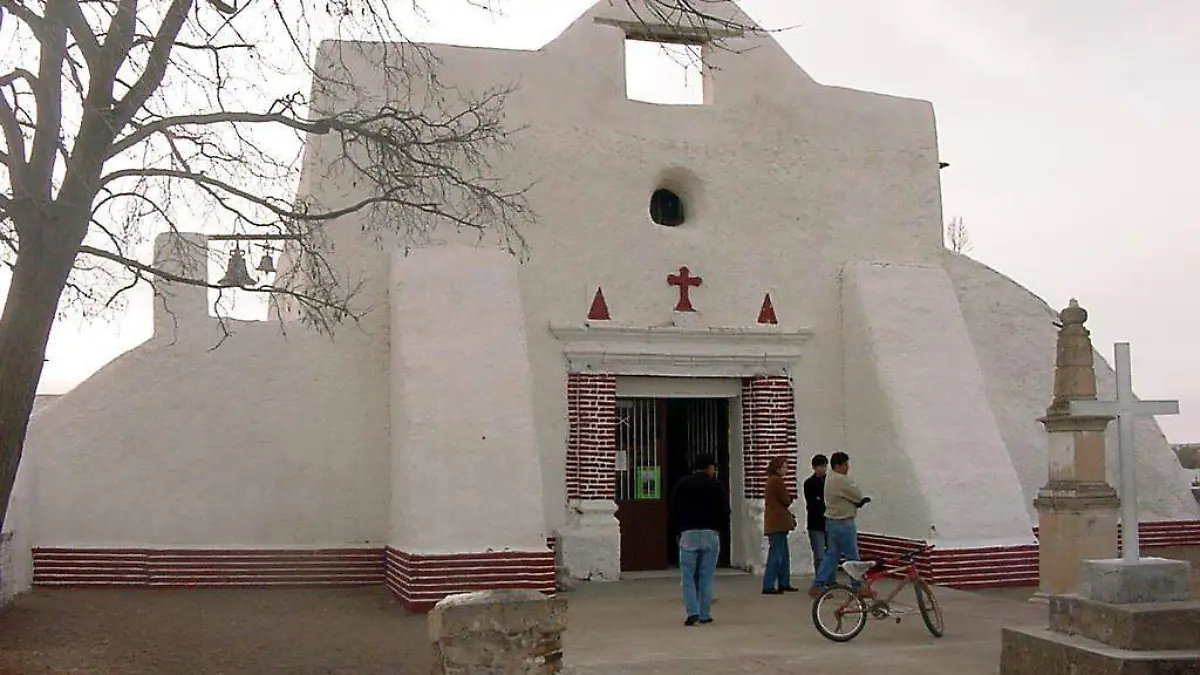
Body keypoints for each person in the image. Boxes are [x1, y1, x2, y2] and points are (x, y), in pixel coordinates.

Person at [671, 454, 730, 626]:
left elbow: (674, 510)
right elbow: (725, 511)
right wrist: (719, 529)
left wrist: (678, 531)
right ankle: (705, 614)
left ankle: (692, 612)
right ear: (709, 468)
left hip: (688, 533)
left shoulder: (683, 485)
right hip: (710, 534)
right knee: (706, 576)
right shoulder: (717, 486)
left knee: (688, 576)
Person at [808, 451, 871, 597]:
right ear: (838, 466)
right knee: (852, 555)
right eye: (845, 464)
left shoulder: (829, 478)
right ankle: (858, 586)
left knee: (831, 555)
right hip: (843, 521)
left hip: (831, 521)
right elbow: (857, 494)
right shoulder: (841, 480)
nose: (847, 467)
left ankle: (818, 584)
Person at [762, 456, 798, 594]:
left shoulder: (771, 480)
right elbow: (786, 500)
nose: (786, 469)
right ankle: (769, 584)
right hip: (777, 522)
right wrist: (790, 497)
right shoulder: (777, 481)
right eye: (784, 467)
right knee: (777, 554)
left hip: (775, 522)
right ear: (777, 468)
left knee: (781, 553)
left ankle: (783, 582)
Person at [802, 454, 829, 576]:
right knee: (819, 555)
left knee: (831, 554)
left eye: (824, 466)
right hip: (815, 523)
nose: (822, 469)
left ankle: (830, 578)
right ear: (814, 467)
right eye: (820, 466)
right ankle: (820, 580)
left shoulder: (830, 481)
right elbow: (812, 503)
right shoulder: (809, 483)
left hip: (829, 522)